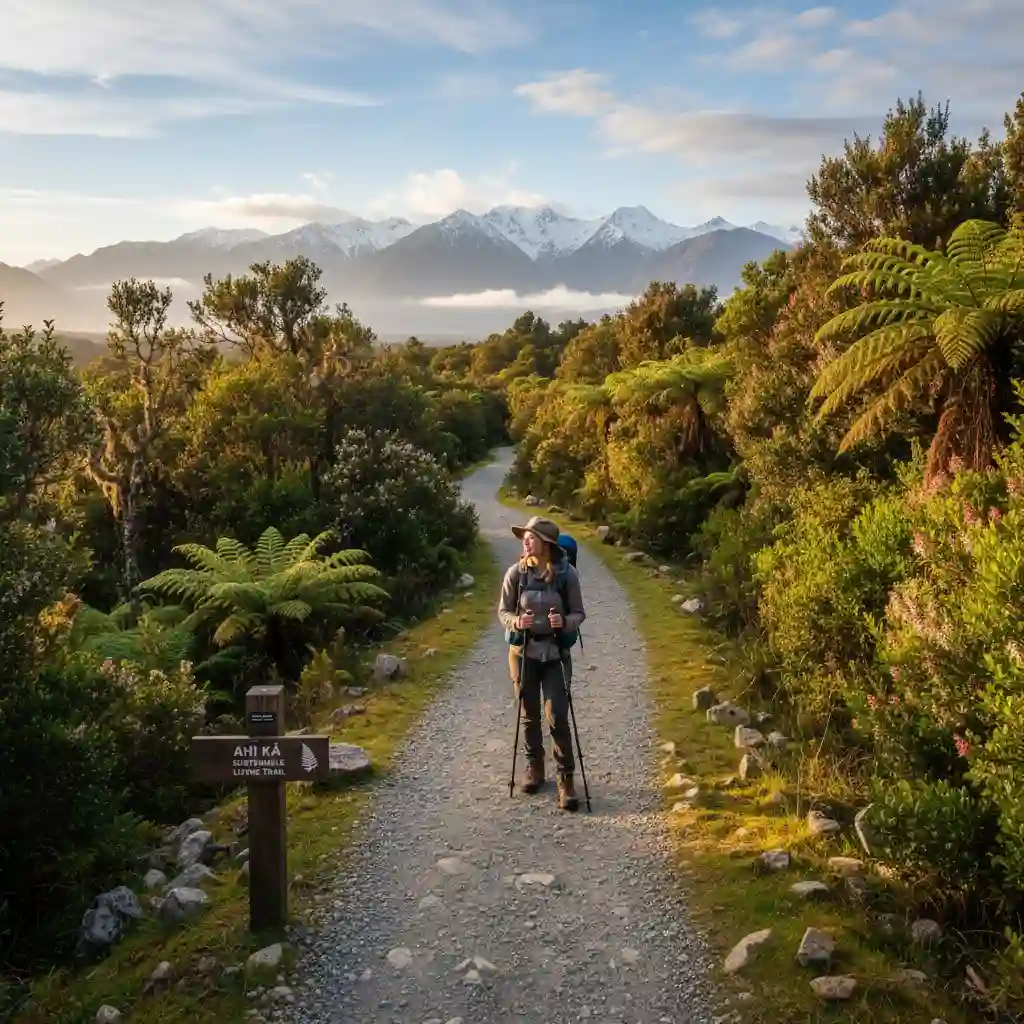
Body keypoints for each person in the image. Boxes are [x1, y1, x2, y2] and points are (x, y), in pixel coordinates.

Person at [498, 515, 586, 811]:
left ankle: (566, 780)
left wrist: (564, 622)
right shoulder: (516, 574)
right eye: (524, 536)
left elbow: (579, 614)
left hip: (554, 655)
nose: (525, 540)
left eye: (531, 536)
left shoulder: (567, 575)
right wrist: (516, 621)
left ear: (546, 544)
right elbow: (502, 612)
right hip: (522, 654)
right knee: (528, 714)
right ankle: (534, 768)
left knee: (557, 716)